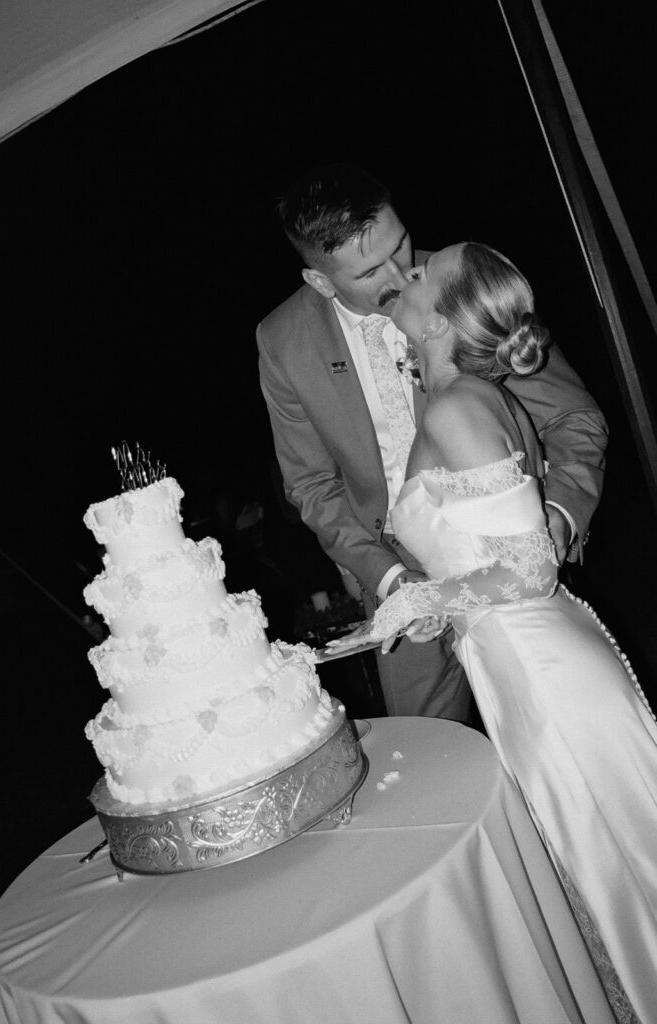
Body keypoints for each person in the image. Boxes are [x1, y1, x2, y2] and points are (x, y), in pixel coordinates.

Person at [330, 241, 657, 1021]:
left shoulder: (455, 408)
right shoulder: (461, 397)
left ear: (436, 321)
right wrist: (428, 604)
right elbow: (487, 557)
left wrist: (420, 598)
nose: (404, 275)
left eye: (419, 273)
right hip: (523, 661)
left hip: (543, 674)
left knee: (616, 869)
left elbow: (529, 567)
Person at [257, 164, 608, 722]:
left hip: (512, 564)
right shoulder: (282, 341)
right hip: (396, 577)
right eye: (371, 270)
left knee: (561, 725)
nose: (401, 273)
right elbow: (312, 485)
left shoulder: (460, 286)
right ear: (321, 282)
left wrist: (559, 516)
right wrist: (390, 580)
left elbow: (575, 419)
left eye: (401, 244)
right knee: (428, 747)